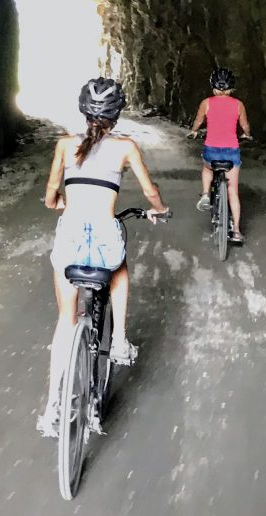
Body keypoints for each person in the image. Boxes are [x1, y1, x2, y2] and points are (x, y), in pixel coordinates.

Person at [37, 77, 169, 437]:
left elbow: (51, 194)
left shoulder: (65, 145)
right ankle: (120, 339)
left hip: (69, 238)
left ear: (84, 111)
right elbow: (149, 190)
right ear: (116, 115)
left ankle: (53, 409)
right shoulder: (125, 147)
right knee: (119, 267)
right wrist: (159, 209)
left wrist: (59, 202)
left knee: (66, 319)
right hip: (105, 236)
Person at [186, 66, 251, 243]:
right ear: (232, 88)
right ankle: (236, 232)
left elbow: (199, 121)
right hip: (232, 153)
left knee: (207, 167)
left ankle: (206, 194)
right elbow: (244, 125)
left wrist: (194, 131)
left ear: (213, 87)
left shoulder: (206, 103)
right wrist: (246, 134)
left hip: (211, 150)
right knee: (233, 191)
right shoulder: (238, 104)